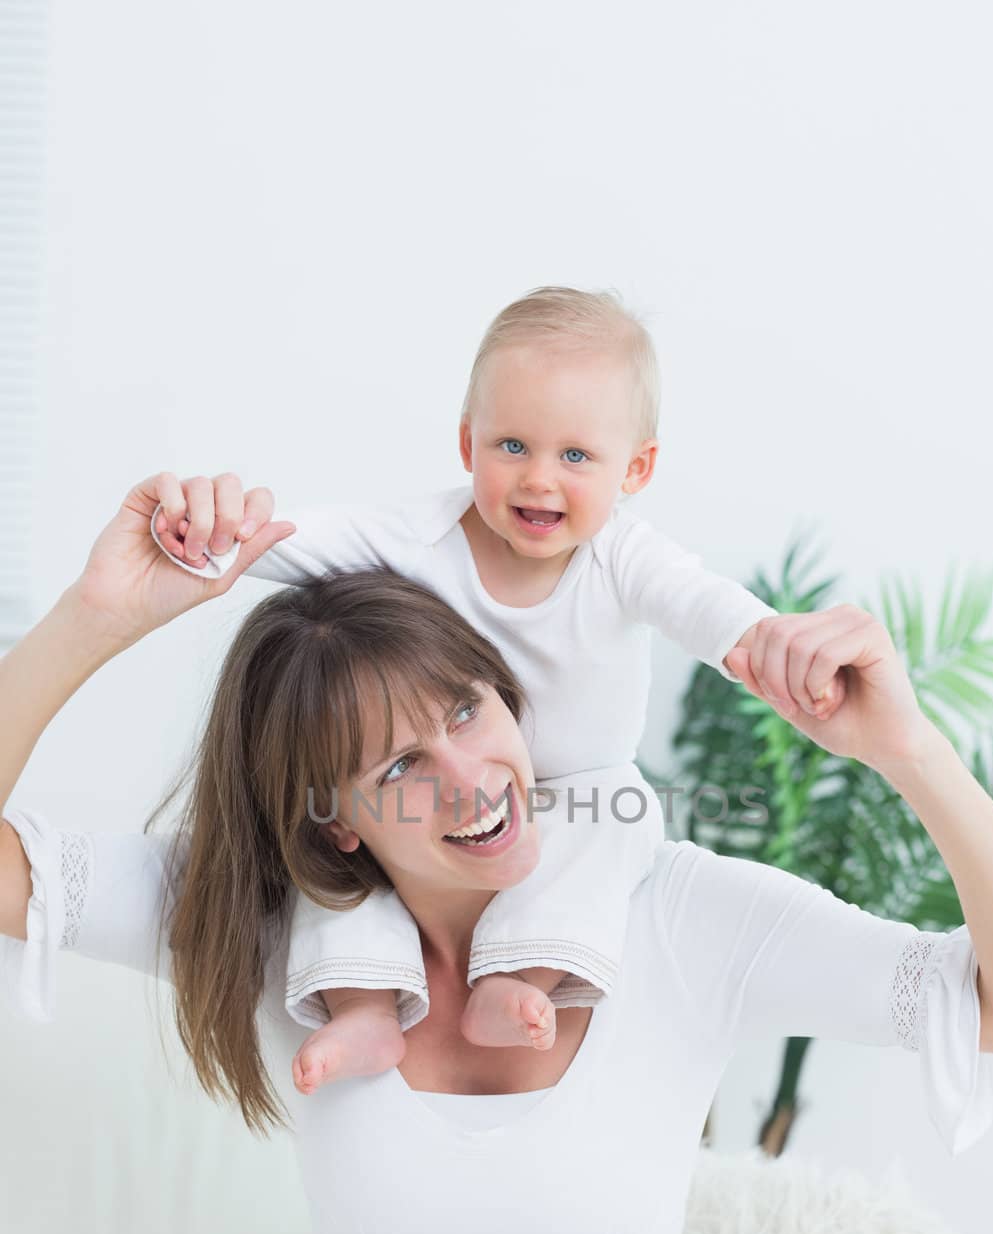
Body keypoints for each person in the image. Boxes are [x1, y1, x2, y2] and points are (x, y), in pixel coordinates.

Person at [2, 474, 993, 1234]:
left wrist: (907, 751)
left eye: (466, 708)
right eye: (400, 767)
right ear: (334, 821)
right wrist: (99, 615)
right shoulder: (274, 924)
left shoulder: (674, 913)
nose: (469, 779)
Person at [147, 286, 845, 1100]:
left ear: (637, 469)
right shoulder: (419, 539)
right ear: (466, 442)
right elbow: (303, 542)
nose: (539, 479)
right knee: (352, 868)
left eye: (576, 456)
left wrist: (764, 644)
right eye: (511, 445)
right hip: (438, 801)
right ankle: (365, 1003)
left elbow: (699, 602)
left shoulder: (623, 556)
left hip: (582, 788)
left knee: (613, 830)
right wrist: (207, 538)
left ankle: (525, 980)